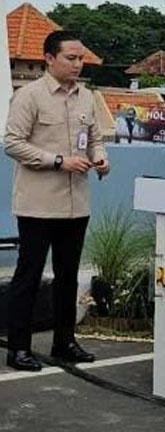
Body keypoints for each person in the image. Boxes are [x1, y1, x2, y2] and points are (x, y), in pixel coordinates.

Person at [3, 30, 110, 371]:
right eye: (71, 58)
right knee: (29, 276)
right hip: (38, 204)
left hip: (76, 204)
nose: (78, 64)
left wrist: (101, 157)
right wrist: (58, 161)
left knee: (69, 276)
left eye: (81, 59)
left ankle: (64, 342)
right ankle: (19, 348)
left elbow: (94, 138)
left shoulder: (87, 98)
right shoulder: (29, 96)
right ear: (49, 58)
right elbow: (12, 143)